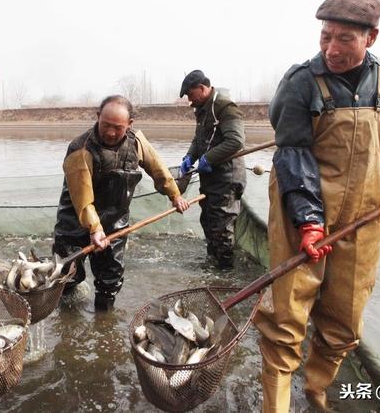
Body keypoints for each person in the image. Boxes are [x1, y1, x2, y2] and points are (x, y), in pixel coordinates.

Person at [253, 0, 380, 412]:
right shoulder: (301, 81)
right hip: (298, 212)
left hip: (365, 217)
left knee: (343, 322)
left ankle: (317, 394)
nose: (331, 49)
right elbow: (292, 153)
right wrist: (310, 222)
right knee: (286, 322)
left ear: (370, 38)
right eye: (325, 37)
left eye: (344, 40)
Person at [52, 95, 190, 310]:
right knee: (68, 277)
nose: (109, 132)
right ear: (98, 117)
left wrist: (175, 195)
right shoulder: (80, 149)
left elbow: (159, 170)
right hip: (75, 221)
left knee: (110, 281)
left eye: (117, 127)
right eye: (105, 125)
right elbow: (83, 199)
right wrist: (95, 229)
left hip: (115, 223)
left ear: (129, 124)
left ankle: (103, 320)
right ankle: (67, 319)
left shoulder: (137, 142)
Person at [178, 70, 246, 269]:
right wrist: (190, 156)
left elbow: (235, 141)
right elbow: (199, 140)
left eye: (191, 95)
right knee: (208, 221)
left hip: (227, 179)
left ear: (202, 88)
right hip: (210, 179)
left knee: (221, 228)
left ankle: (225, 273)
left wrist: (208, 158)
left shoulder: (226, 108)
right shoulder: (202, 110)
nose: (190, 100)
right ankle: (212, 264)